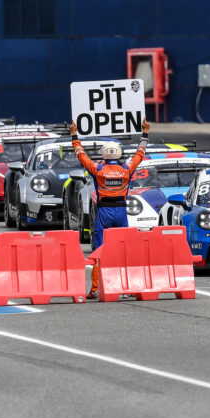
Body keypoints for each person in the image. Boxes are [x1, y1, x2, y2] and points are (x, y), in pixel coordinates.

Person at [70, 118, 150, 299]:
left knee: (99, 249)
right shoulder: (127, 169)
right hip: (121, 213)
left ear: (103, 154)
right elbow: (140, 153)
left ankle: (95, 289)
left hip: (103, 213)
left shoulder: (97, 169)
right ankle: (128, 288)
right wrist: (145, 133)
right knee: (124, 249)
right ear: (119, 154)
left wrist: (74, 135)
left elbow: (81, 155)